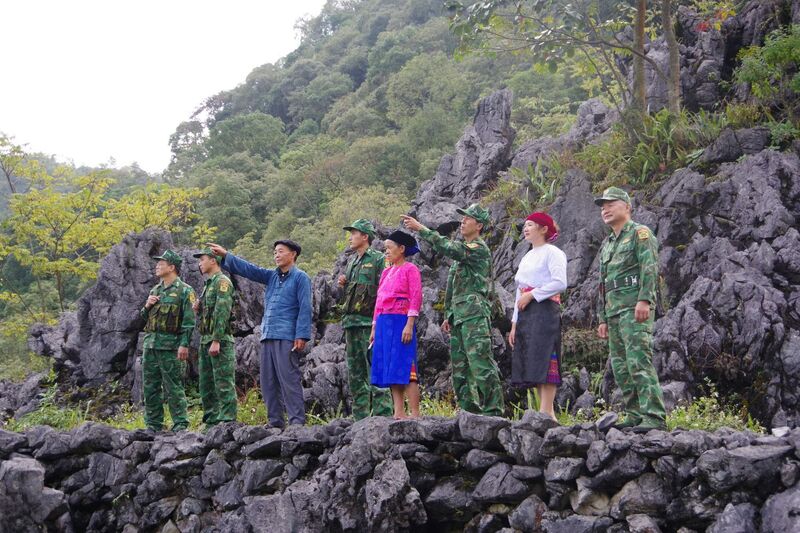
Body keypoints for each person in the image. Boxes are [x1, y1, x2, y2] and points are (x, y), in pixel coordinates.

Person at [402, 204, 505, 417]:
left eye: (468, 218)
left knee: (480, 363)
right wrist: (448, 314)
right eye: (463, 218)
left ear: (479, 225)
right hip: (459, 315)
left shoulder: (478, 249)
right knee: (460, 369)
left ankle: (493, 412)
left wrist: (421, 228)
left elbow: (448, 247)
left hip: (474, 314)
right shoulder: (464, 254)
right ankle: (469, 412)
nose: (462, 221)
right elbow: (452, 286)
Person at [207, 240, 312, 428]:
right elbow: (250, 269)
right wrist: (226, 255)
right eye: (275, 252)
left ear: (293, 254)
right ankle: (275, 421)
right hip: (267, 335)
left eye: (281, 251)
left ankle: (297, 422)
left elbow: (305, 307)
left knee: (289, 379)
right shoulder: (272, 276)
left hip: (287, 335)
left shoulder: (300, 277)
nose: (276, 255)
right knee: (268, 381)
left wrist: (302, 335)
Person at [594, 186, 667, 432]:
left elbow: (649, 267)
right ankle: (635, 414)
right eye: (603, 207)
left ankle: (654, 416)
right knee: (621, 367)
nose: (605, 210)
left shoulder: (640, 233)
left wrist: (645, 300)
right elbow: (603, 283)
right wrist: (602, 317)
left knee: (638, 361)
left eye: (610, 204)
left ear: (627, 207)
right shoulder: (607, 244)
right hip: (614, 311)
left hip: (634, 307)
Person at [507, 212, 567, 421]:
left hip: (544, 309)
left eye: (531, 225)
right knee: (532, 358)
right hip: (526, 312)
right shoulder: (526, 256)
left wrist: (533, 295)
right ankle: (547, 413)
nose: (526, 228)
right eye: (525, 225)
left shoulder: (553, 252)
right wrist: (514, 323)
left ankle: (546, 410)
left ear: (544, 229)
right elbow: (519, 291)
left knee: (546, 356)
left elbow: (560, 282)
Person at [338, 219, 393, 420]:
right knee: (355, 373)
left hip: (370, 323)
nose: (351, 237)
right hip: (351, 323)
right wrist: (343, 285)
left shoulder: (379, 259)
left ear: (365, 236)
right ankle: (360, 417)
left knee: (375, 369)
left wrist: (380, 322)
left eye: (354, 233)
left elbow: (385, 291)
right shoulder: (352, 262)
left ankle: (382, 416)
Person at [139, 249, 195, 432]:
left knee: (174, 386)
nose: (157, 266)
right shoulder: (155, 290)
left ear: (172, 267)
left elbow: (189, 322)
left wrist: (184, 344)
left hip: (171, 346)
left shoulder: (185, 291)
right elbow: (143, 318)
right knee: (150, 386)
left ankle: (180, 424)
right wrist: (147, 305)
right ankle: (153, 424)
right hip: (150, 345)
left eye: (161, 263)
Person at [370, 230, 422, 420]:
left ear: (401, 249)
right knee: (391, 366)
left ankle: (415, 412)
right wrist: (374, 327)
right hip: (384, 322)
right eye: (385, 248)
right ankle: (398, 411)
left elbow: (416, 296)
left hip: (401, 320)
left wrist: (409, 323)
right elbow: (379, 301)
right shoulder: (386, 272)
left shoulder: (410, 269)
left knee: (406, 364)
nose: (386, 252)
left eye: (389, 248)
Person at [193, 247, 237, 428]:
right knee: (206, 384)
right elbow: (209, 314)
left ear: (213, 260)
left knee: (223, 382)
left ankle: (227, 421)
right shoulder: (208, 285)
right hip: (206, 339)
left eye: (202, 259)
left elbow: (222, 312)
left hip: (219, 340)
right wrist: (198, 309)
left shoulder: (222, 282)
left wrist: (216, 340)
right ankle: (211, 422)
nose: (199, 264)